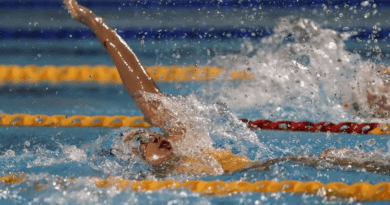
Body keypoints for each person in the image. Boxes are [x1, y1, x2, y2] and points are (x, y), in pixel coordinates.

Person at [64, 0, 390, 176]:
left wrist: (96, 23)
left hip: (293, 165)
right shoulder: (166, 180)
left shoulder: (187, 142)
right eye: (141, 144)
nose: (152, 137)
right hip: (278, 173)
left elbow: (145, 96)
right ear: (140, 164)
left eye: (146, 133)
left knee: (342, 157)